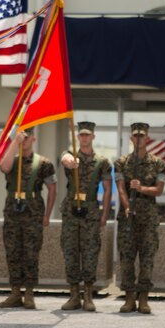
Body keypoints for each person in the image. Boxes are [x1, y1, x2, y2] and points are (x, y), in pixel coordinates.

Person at [0, 127, 56, 309]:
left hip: (33, 212)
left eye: (27, 137)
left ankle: (29, 292)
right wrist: (14, 142)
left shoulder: (43, 163)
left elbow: (52, 189)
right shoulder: (12, 159)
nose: (24, 140)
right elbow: (3, 167)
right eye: (22, 136)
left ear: (34, 139)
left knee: (31, 253)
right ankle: (15, 292)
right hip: (12, 212)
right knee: (13, 252)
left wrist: (47, 215)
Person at [59, 121, 112, 312]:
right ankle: (74, 295)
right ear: (77, 137)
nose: (84, 138)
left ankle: (88, 295)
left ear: (93, 137)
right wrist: (68, 160)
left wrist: (104, 214)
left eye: (87, 135)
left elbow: (107, 190)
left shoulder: (102, 162)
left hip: (90, 210)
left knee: (90, 253)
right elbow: (63, 157)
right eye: (81, 135)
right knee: (70, 251)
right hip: (71, 209)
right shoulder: (71, 155)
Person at [115, 122, 165, 314]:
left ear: (147, 138)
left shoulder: (158, 163)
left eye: (142, 136)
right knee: (127, 258)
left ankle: (143, 298)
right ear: (131, 138)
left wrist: (141, 188)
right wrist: (127, 207)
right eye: (135, 135)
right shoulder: (121, 162)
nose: (138, 139)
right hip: (128, 218)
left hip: (148, 218)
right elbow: (120, 187)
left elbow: (159, 190)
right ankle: (129, 298)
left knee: (147, 258)